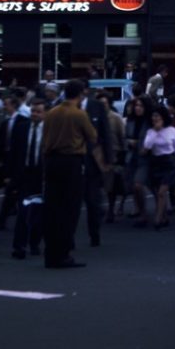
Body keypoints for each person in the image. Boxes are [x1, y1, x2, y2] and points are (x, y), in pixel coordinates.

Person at [40, 79, 103, 269]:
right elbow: (92, 136)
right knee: (69, 209)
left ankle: (50, 253)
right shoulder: (79, 114)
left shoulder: (51, 113)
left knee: (52, 208)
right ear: (81, 93)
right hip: (71, 161)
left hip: (51, 160)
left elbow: (45, 138)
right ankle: (63, 253)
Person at [11, 99, 46, 260]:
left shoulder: (49, 130)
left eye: (38, 111)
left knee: (39, 212)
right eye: (33, 111)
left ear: (45, 113)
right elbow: (14, 152)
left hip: (42, 175)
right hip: (25, 174)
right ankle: (19, 246)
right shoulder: (21, 128)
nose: (34, 114)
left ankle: (34, 242)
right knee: (23, 211)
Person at [0, 92, 28, 231]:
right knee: (11, 189)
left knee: (11, 189)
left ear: (14, 105)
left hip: (16, 160)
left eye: (6, 104)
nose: (4, 107)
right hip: (7, 158)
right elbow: (0, 143)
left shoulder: (23, 121)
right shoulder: (5, 122)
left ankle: (2, 219)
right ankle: (10, 213)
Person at [141, 106, 175, 229]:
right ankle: (164, 216)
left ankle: (158, 219)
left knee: (162, 192)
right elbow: (146, 147)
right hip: (156, 162)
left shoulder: (172, 130)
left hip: (169, 162)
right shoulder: (150, 132)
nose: (155, 118)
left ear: (163, 117)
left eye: (157, 116)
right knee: (157, 192)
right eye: (153, 116)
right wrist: (155, 131)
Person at [80, 85, 112, 247]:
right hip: (74, 161)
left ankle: (95, 234)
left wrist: (108, 159)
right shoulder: (68, 108)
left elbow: (105, 133)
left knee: (93, 201)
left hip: (93, 160)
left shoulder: (96, 106)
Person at [123, 95, 153, 222]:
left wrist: (139, 144)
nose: (137, 108)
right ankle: (139, 210)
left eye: (140, 105)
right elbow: (124, 137)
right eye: (136, 105)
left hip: (145, 157)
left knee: (138, 184)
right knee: (132, 186)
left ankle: (144, 213)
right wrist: (129, 142)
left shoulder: (150, 121)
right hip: (131, 156)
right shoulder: (131, 121)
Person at [98, 92, 127, 222]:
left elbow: (122, 136)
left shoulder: (115, 118)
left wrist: (123, 154)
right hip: (98, 154)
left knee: (111, 186)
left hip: (113, 154)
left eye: (105, 103)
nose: (103, 106)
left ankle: (111, 209)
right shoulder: (94, 118)